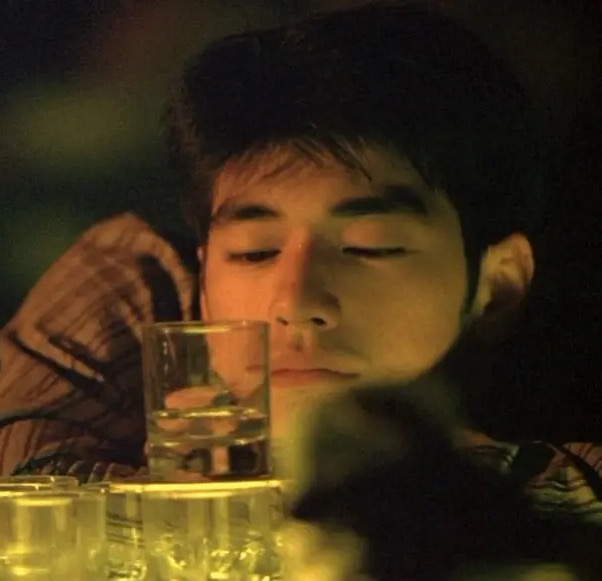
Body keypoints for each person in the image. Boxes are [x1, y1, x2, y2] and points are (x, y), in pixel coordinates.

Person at [0, 0, 601, 543]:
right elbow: (29, 496)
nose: (295, 300)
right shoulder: (144, 283)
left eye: (369, 246)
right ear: (205, 274)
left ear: (498, 283)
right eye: (254, 251)